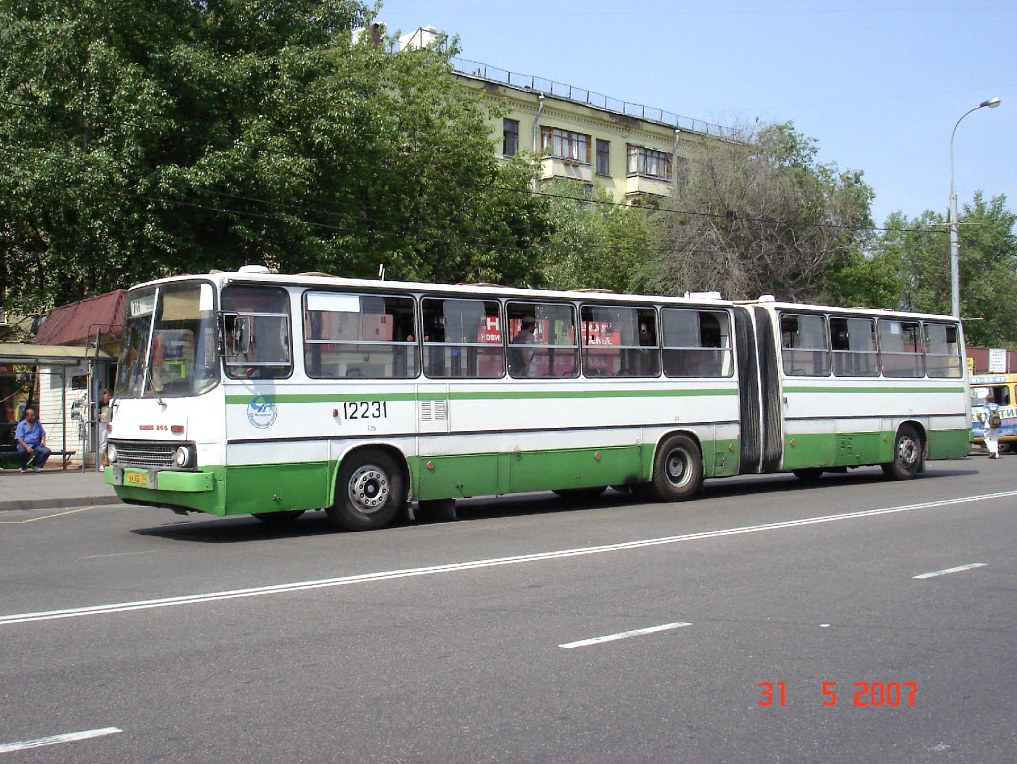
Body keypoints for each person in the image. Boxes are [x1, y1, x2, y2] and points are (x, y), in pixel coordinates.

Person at [15, 406, 51, 472]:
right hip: (24, 444)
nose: (34, 417)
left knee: (46, 451)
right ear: (27, 416)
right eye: (32, 416)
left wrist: (43, 440)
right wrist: (27, 447)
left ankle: (36, 465)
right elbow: (19, 439)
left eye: (34, 415)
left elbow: (43, 433)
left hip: (36, 444)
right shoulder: (21, 425)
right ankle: (24, 467)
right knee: (22, 451)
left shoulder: (37, 423)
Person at [981, 390, 1001, 459]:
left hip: (988, 425)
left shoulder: (985, 407)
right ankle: (996, 454)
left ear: (986, 400)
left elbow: (983, 417)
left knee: (986, 438)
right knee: (994, 439)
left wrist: (982, 422)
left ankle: (992, 451)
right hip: (996, 424)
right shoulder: (997, 406)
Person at [98, 389, 112, 466]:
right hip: (102, 424)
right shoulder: (100, 404)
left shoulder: (111, 403)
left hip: (110, 423)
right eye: (105, 394)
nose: (107, 395)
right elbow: (96, 414)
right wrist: (101, 416)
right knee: (102, 444)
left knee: (110, 443)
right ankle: (100, 463)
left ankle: (110, 462)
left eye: (108, 394)